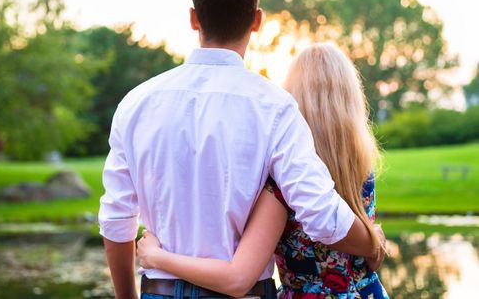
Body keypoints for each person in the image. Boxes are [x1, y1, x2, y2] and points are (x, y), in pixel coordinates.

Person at [99, 0, 384, 299]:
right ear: (257, 21)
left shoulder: (136, 104)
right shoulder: (274, 107)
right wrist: (372, 240)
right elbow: (321, 213)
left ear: (194, 19)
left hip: (159, 290)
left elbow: (117, 219)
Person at [137, 43, 389, 299]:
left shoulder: (283, 183)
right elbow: (369, 258)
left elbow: (237, 278)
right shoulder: (362, 169)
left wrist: (158, 257)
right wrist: (374, 241)